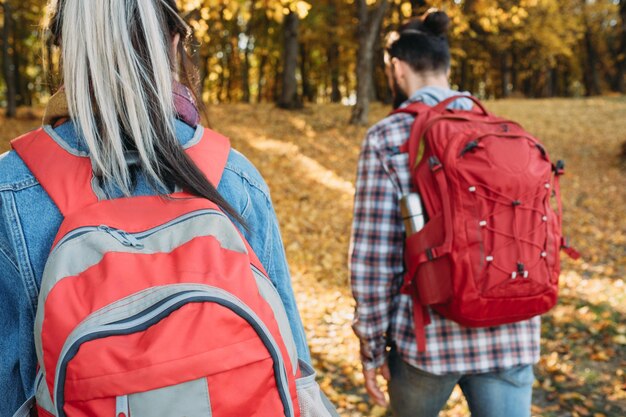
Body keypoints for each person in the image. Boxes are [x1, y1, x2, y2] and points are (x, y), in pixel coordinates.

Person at [0, 1, 310, 415]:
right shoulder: (233, 178)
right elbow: (295, 368)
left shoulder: (12, 190)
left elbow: (8, 383)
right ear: (176, 39)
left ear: (63, 49)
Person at [349, 10, 538, 417]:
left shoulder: (388, 137)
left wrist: (370, 346)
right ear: (447, 67)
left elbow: (373, 259)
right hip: (512, 330)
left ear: (397, 69)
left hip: (429, 338)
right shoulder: (504, 129)